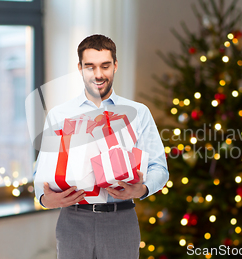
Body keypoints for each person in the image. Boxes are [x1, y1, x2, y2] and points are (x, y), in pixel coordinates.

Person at [34, 34, 169, 259]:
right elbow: (42, 171)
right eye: (90, 66)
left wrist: (142, 190)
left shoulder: (139, 113)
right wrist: (45, 199)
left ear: (115, 66)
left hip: (121, 220)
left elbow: (159, 167)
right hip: (73, 220)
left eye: (105, 66)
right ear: (80, 68)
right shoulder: (59, 114)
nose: (98, 74)